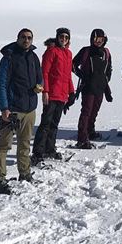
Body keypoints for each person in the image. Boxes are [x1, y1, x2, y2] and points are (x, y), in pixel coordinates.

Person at [0, 28, 43, 194]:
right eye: (23, 37)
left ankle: (25, 173)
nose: (26, 40)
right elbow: (1, 84)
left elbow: (39, 76)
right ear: (17, 39)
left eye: (29, 38)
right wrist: (4, 108)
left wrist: (39, 86)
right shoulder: (9, 58)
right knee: (3, 146)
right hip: (13, 110)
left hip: (30, 109)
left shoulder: (34, 57)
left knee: (25, 144)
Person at [31, 28, 75, 164]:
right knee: (46, 123)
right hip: (52, 94)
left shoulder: (68, 53)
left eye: (66, 37)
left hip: (62, 95)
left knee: (54, 124)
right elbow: (44, 73)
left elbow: (67, 76)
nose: (63, 39)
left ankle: (49, 149)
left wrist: (71, 92)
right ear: (57, 37)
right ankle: (37, 153)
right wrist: (45, 92)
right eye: (61, 36)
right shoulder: (51, 51)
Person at [71, 28, 113, 148]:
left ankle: (90, 131)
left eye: (101, 39)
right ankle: (82, 138)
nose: (98, 41)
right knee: (86, 112)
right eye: (96, 39)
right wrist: (82, 75)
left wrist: (106, 80)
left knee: (94, 111)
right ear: (92, 39)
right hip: (88, 87)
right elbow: (73, 64)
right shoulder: (86, 51)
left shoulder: (106, 52)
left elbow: (109, 68)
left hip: (100, 87)